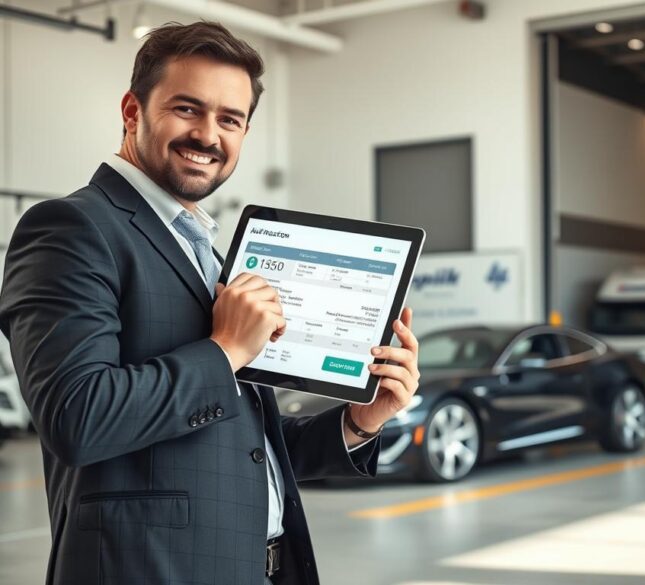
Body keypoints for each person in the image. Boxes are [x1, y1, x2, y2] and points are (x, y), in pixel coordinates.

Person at [0, 21, 420, 585]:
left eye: (230, 119)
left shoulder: (210, 252)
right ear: (132, 111)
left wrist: (360, 422)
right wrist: (224, 352)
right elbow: (77, 415)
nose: (208, 135)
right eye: (187, 109)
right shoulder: (72, 228)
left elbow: (241, 447)